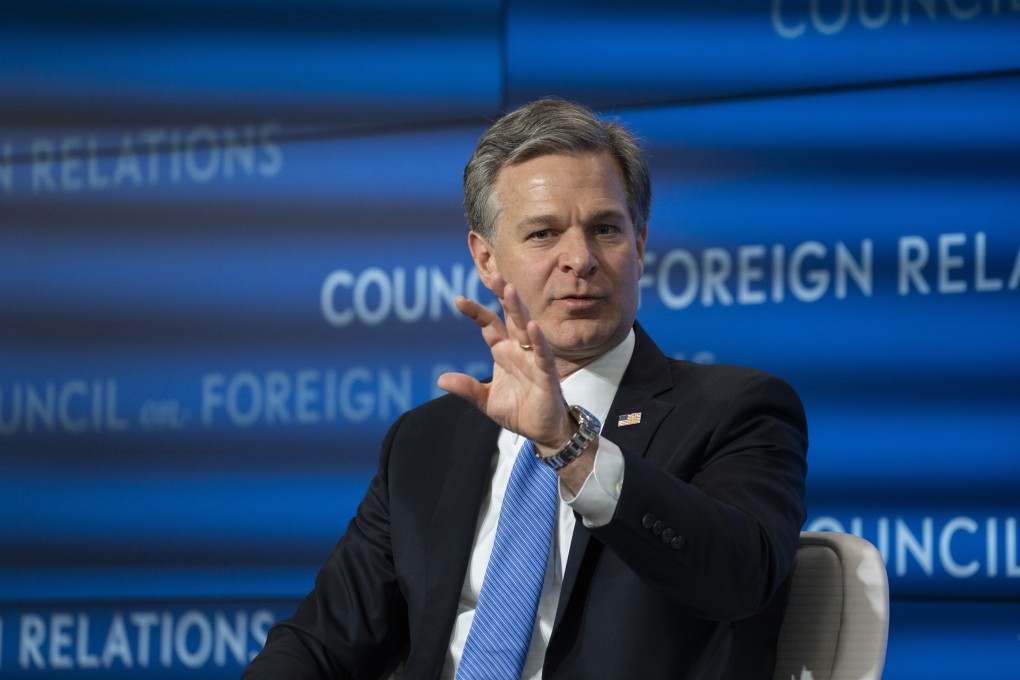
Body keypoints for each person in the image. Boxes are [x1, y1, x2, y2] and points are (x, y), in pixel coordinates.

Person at [243, 98, 808, 679]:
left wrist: (569, 444)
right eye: (543, 234)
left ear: (638, 245)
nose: (580, 260)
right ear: (487, 260)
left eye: (605, 229)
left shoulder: (737, 411)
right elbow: (322, 642)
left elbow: (741, 580)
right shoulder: (424, 442)